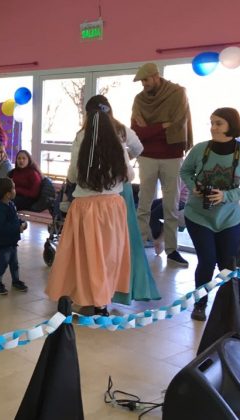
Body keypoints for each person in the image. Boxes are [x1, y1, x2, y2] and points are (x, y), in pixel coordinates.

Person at [46, 110, 133, 316]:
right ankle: (101, 302)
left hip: (85, 208)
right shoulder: (119, 147)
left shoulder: (82, 146)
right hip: (112, 208)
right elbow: (129, 174)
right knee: (107, 254)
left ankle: (80, 295)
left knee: (82, 255)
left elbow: (73, 176)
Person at [180, 108, 240, 321]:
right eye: (212, 122)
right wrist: (194, 186)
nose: (213, 127)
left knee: (228, 263)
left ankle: (235, 302)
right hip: (198, 215)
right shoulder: (200, 149)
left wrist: (227, 195)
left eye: (219, 123)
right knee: (207, 261)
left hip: (229, 219)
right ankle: (200, 304)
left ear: (231, 125)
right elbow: (185, 171)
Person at [82, 95, 160, 304]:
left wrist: (119, 162)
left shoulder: (92, 133)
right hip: (118, 185)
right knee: (121, 239)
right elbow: (139, 149)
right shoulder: (122, 129)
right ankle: (119, 286)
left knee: (107, 240)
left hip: (109, 188)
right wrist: (122, 160)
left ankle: (104, 287)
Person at [131, 63, 193, 267]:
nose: (144, 84)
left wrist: (150, 129)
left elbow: (178, 123)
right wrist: (162, 126)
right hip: (147, 155)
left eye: (146, 80)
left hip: (172, 155)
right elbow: (137, 132)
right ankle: (139, 245)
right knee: (143, 204)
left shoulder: (177, 93)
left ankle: (172, 250)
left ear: (156, 76)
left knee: (172, 205)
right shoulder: (139, 99)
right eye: (141, 81)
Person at [0, 178, 29, 295]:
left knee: (14, 263)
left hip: (11, 241)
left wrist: (22, 223)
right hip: (1, 242)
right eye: (13, 188)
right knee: (3, 262)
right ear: (7, 194)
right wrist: (17, 228)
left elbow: (14, 220)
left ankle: (16, 281)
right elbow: (1, 227)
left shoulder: (10, 204)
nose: (16, 190)